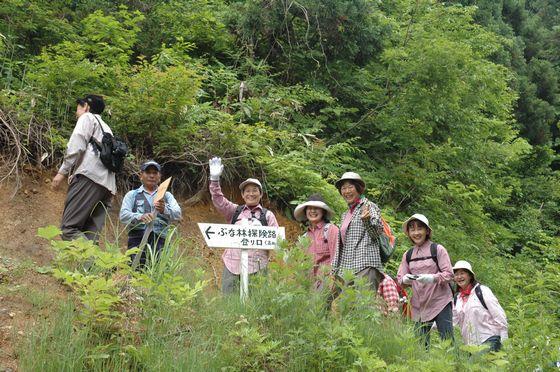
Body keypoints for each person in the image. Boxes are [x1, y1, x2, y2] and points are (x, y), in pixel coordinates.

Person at [208, 157, 279, 294]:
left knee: (257, 307)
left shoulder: (268, 216)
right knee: (229, 304)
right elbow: (219, 200)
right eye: (247, 191)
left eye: (254, 190)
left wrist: (262, 234)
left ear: (261, 194)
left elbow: (277, 242)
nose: (251, 193)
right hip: (232, 264)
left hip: (257, 267)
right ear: (242, 194)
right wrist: (214, 180)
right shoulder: (235, 211)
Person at [52, 95, 116, 242]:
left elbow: (77, 145)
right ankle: (97, 264)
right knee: (90, 236)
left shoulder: (87, 118)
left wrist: (62, 172)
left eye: (78, 107)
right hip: (107, 186)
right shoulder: (107, 128)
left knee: (69, 229)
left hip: (89, 178)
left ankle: (98, 264)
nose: (76, 112)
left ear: (86, 106)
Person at [397, 213, 454, 348]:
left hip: (440, 302)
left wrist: (432, 278)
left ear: (427, 231)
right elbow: (400, 279)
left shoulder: (437, 249)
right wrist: (406, 279)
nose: (416, 233)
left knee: (448, 343)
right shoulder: (408, 255)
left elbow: (449, 274)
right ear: (408, 233)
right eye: (412, 229)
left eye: (420, 228)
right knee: (421, 346)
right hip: (419, 305)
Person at [119, 160, 182, 267]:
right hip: (137, 240)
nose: (151, 176)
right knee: (135, 272)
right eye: (148, 172)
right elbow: (123, 215)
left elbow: (178, 214)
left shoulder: (166, 195)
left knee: (158, 272)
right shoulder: (132, 195)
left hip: (160, 239)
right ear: (141, 176)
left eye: (155, 173)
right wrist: (140, 217)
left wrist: (164, 209)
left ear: (159, 176)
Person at [331, 172, 385, 291]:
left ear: (358, 188)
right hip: (348, 267)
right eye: (343, 188)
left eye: (350, 187)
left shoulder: (369, 206)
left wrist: (367, 221)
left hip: (365, 264)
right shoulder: (345, 214)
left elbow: (377, 233)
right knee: (349, 307)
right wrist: (335, 268)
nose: (346, 191)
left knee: (364, 306)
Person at [452, 260, 508, 352]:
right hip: (471, 346)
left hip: (490, 339)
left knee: (477, 363)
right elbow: (451, 321)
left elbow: (499, 315)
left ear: (470, 276)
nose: (459, 277)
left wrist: (505, 341)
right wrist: (430, 325)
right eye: (456, 274)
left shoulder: (482, 291)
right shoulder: (457, 299)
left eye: (462, 273)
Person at [293, 194, 339, 287]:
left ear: (323, 212)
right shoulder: (304, 237)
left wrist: (332, 281)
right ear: (305, 212)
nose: (312, 211)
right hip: (308, 285)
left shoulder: (331, 230)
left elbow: (336, 256)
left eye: (316, 208)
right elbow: (301, 263)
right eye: (309, 208)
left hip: (325, 282)